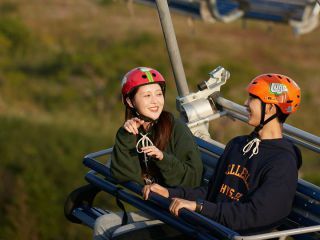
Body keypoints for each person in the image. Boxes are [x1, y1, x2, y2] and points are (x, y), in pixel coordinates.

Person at [143, 73, 302, 235]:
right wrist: (170, 193)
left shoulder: (282, 162)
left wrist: (201, 207)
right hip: (209, 229)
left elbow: (257, 215)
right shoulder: (237, 145)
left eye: (253, 98)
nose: (246, 103)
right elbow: (213, 191)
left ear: (270, 108)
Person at [93, 67, 203, 239]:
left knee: (121, 235)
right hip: (155, 208)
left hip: (179, 213)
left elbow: (193, 179)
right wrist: (125, 137)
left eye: (158, 94)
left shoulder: (176, 128)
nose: (155, 101)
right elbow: (122, 175)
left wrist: (162, 158)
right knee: (102, 224)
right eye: (147, 95)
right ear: (130, 102)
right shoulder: (133, 131)